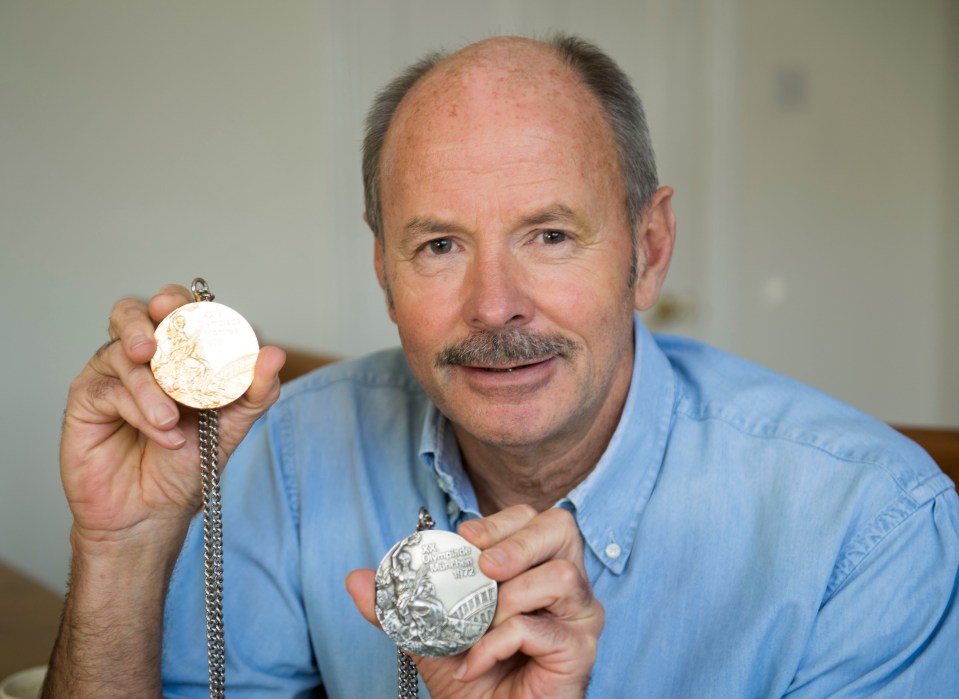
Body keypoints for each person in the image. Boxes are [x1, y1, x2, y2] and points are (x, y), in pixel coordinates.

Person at [43, 34, 958, 698]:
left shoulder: (869, 530)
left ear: (649, 246)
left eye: (550, 235)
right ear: (383, 272)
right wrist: (121, 552)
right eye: (439, 245)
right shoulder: (283, 455)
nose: (493, 305)